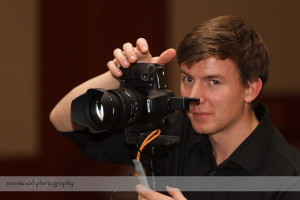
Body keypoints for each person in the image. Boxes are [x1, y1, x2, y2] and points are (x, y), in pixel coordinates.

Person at [50, 16, 300, 199]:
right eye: (188, 79)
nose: (194, 97)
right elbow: (62, 119)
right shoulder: (171, 130)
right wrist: (121, 75)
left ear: (250, 89)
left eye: (213, 82)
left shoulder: (288, 178)